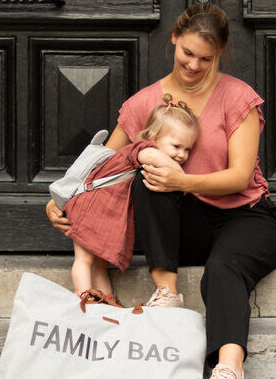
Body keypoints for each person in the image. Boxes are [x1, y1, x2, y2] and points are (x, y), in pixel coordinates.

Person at [46, 2, 276, 379]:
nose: (193, 64)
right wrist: (61, 200)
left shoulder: (237, 97)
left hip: (246, 217)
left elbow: (240, 176)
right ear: (174, 38)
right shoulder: (143, 104)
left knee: (224, 269)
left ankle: (228, 374)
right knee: (145, 169)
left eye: (205, 59)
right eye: (187, 53)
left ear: (220, 54)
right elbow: (102, 166)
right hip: (179, 227)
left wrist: (184, 180)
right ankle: (166, 290)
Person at [62, 97, 199, 302]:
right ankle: (84, 298)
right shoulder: (144, 149)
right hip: (88, 208)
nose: (182, 154)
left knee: (100, 264)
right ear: (153, 137)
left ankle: (106, 301)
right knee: (84, 260)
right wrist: (182, 178)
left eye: (187, 149)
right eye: (176, 146)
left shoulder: (149, 150)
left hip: (102, 212)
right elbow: (155, 158)